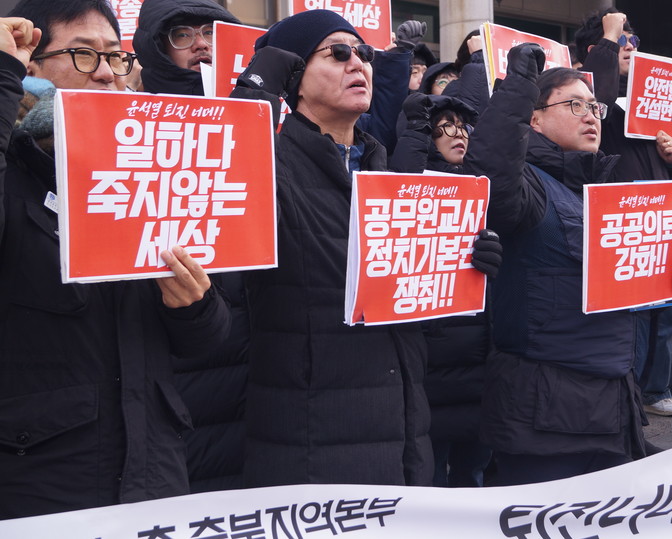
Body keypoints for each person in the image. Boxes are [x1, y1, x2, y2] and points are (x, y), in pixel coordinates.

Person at [231, 9, 499, 488]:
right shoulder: (272, 164)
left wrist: (460, 266)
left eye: (365, 53)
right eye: (338, 53)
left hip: (403, 432)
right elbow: (222, 177)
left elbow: (406, 308)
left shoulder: (385, 173)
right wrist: (255, 92)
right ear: (293, 73)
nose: (359, 64)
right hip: (312, 442)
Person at [0, 0, 229, 519]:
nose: (106, 73)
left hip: (155, 476)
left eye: (115, 57)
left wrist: (194, 303)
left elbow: (209, 342)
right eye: (83, 55)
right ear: (28, 65)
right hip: (40, 486)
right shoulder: (13, 177)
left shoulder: (154, 177)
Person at [465, 45, 672, 485]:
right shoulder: (529, 185)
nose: (591, 115)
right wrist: (518, 87)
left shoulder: (602, 194)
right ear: (533, 120)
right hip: (542, 415)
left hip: (612, 405)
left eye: (595, 106)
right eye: (575, 105)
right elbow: (491, 176)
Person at [134, 0, 249, 493]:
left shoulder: (266, 122)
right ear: (157, 49)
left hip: (258, 377)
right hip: (176, 370)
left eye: (211, 30)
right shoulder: (126, 130)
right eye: (183, 35)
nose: (202, 44)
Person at [575, 8, 672, 417]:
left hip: (662, 215)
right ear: (597, 50)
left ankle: (657, 388)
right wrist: (608, 36)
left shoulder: (652, 98)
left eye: (634, 40)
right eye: (623, 40)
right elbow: (596, 105)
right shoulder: (592, 92)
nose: (631, 46)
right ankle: (633, 392)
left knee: (667, 311)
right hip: (622, 214)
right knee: (634, 314)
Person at [390, 93, 494, 487]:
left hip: (478, 348)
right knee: (428, 472)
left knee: (472, 471)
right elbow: (400, 184)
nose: (458, 134)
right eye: (444, 126)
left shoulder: (483, 185)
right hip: (430, 352)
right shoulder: (408, 181)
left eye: (463, 126)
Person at [132, 0, 239, 95]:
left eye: (209, 32)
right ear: (158, 47)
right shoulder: (134, 113)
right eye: (183, 35)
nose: (201, 44)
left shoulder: (251, 101)